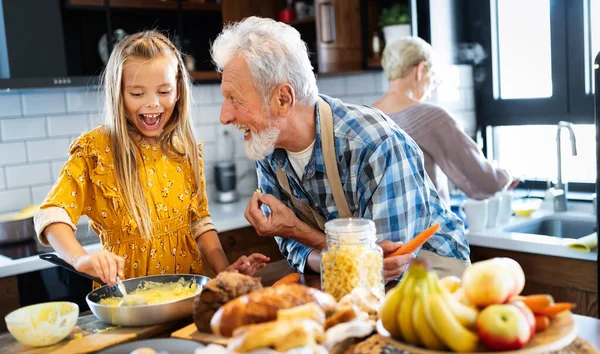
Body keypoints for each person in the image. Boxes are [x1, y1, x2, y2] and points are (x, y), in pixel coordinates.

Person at [210, 17, 470, 281]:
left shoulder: (373, 143)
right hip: (353, 286)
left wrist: (299, 230)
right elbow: (295, 249)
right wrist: (330, 255)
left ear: (283, 99)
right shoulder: (268, 147)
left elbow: (387, 265)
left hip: (430, 282)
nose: (224, 116)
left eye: (235, 98)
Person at [34, 31, 268, 287]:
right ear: (118, 95)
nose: (153, 103)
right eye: (137, 94)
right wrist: (80, 259)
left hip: (188, 297)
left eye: (164, 91)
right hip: (128, 304)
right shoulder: (97, 151)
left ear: (178, 90)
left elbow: (199, 222)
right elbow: (51, 214)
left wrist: (225, 271)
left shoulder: (184, 150)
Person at [372, 37, 518, 206]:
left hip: (377, 230)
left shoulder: (365, 117)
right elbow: (483, 181)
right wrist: (507, 175)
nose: (431, 89)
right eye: (433, 78)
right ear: (420, 70)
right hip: (427, 230)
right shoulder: (431, 117)